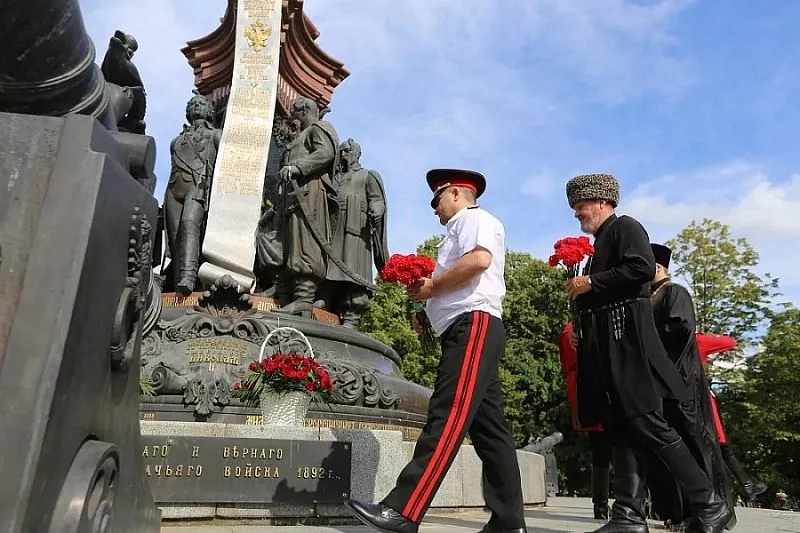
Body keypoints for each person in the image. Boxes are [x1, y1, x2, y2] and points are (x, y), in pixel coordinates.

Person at [347, 169, 526, 533]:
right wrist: (430, 311)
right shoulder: (459, 228)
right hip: (469, 327)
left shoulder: (472, 219)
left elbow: (478, 261)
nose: (434, 208)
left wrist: (433, 288)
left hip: (472, 326)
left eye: (437, 199)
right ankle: (508, 523)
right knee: (491, 432)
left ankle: (403, 510)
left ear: (457, 194)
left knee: (447, 416)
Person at [563, 173, 733, 533]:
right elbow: (605, 294)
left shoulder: (625, 226)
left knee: (646, 421)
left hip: (629, 346)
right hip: (610, 345)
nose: (577, 213)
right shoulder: (600, 243)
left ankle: (709, 503)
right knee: (621, 427)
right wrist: (582, 329)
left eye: (581, 206)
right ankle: (628, 514)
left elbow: (640, 267)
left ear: (601, 202)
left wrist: (590, 281)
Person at [647, 243, 736, 531]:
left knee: (694, 446)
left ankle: (707, 510)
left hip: (681, 382)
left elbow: (680, 329)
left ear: (657, 267)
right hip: (662, 384)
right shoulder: (650, 296)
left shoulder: (674, 292)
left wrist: (646, 335)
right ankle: (678, 513)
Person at [695, 333, 768, 503]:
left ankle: (746, 486)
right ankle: (741, 487)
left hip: (681, 398)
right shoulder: (696, 340)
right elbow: (729, 342)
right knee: (719, 445)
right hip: (702, 398)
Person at [558, 322, 611, 520]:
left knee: (600, 450)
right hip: (604, 387)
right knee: (620, 448)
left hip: (584, 391)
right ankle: (623, 503)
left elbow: (566, 363)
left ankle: (600, 505)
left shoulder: (569, 330)